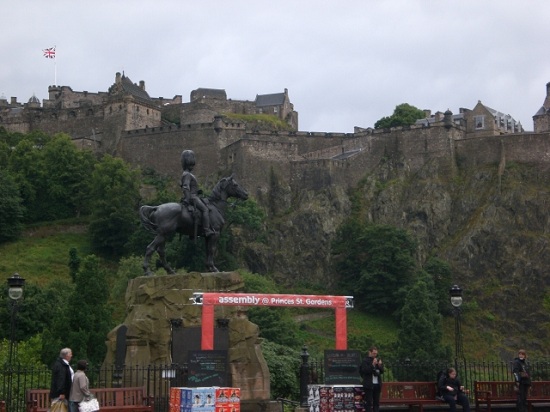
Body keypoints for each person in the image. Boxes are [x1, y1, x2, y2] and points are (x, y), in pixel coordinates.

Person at [180, 149, 214, 237]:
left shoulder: (187, 173)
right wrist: (187, 200)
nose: (193, 165)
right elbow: (185, 187)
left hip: (193, 195)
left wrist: (197, 191)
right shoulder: (187, 174)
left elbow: (189, 187)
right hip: (192, 197)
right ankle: (206, 230)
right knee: (205, 209)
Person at [359, 346, 384, 412]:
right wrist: (372, 365)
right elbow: (365, 371)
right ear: (369, 352)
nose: (375, 355)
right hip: (369, 384)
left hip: (377, 384)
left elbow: (381, 371)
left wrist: (379, 365)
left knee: (376, 402)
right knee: (369, 402)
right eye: (373, 353)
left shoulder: (377, 360)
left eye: (376, 353)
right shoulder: (365, 361)